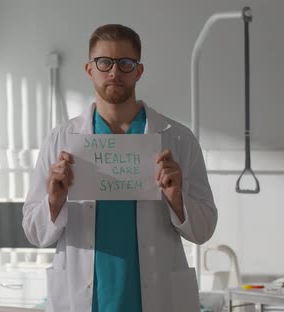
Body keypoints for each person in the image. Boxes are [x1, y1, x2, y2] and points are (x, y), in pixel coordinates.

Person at [23, 24, 217, 312]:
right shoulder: (62, 139)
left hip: (156, 298)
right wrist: (54, 200)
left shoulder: (178, 139)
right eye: (104, 62)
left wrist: (177, 199)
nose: (114, 72)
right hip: (86, 298)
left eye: (126, 63)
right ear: (90, 70)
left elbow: (204, 230)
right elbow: (34, 233)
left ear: (138, 71)